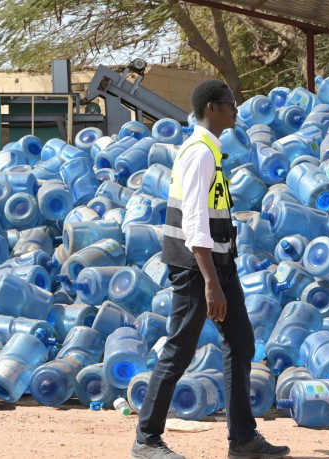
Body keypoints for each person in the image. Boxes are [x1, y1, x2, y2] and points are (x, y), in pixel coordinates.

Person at [131, 80, 290, 459]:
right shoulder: (199, 152)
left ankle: (243, 440)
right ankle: (146, 439)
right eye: (230, 104)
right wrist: (209, 283)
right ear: (211, 108)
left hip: (219, 264)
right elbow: (195, 221)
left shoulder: (211, 151)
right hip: (196, 267)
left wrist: (219, 274)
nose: (236, 110)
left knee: (241, 343)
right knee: (179, 350)